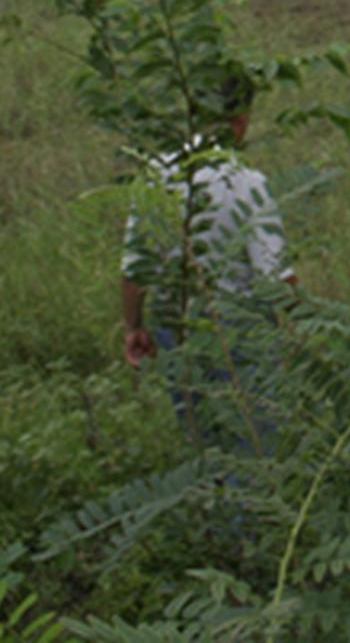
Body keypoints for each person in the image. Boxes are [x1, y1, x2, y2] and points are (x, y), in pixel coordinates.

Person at [120, 80, 295, 449]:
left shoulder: (155, 174)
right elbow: (276, 278)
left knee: (202, 440)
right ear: (241, 119)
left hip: (174, 323)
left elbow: (135, 270)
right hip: (239, 332)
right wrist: (301, 339)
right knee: (252, 446)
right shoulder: (246, 182)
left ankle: (213, 503)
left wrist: (133, 326)